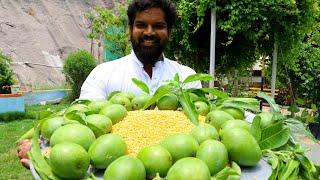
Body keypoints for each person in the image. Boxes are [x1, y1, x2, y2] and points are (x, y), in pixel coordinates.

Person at [18, 0, 202, 169]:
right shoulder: (103, 74)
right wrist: (42, 151)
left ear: (168, 31)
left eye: (158, 26)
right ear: (130, 29)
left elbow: (201, 130)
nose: (149, 32)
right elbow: (81, 126)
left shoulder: (186, 77)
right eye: (141, 25)